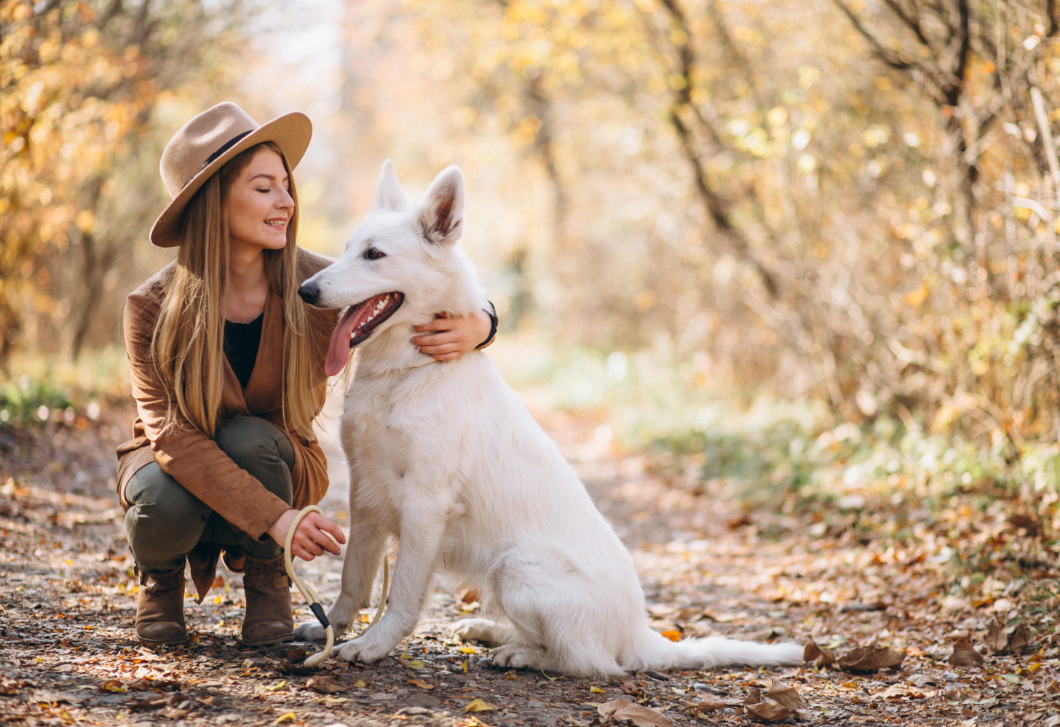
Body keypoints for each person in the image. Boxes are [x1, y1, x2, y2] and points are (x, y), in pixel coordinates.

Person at [115, 103, 495, 647]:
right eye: (265, 187)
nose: (287, 202)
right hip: (176, 466)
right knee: (158, 492)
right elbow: (170, 436)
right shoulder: (150, 307)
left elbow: (423, 281)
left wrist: (482, 323)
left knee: (251, 439)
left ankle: (269, 581)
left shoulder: (321, 284)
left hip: (274, 460)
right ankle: (161, 580)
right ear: (212, 202)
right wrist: (277, 517)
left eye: (286, 185)